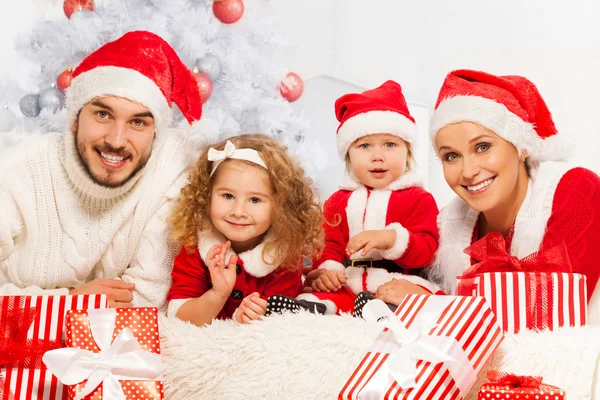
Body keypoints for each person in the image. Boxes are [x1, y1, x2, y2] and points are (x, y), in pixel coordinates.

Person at [0, 30, 217, 311]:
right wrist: (67, 304)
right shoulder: (17, 172)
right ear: (76, 118)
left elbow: (148, 301)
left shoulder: (174, 168)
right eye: (103, 114)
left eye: (138, 123)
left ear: (156, 134)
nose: (116, 140)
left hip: (119, 352)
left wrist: (42, 306)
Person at [371, 69, 600, 324]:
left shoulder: (575, 189)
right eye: (451, 156)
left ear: (522, 146)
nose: (468, 172)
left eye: (483, 147)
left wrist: (431, 307)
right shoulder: (450, 222)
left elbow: (556, 313)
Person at [276, 81, 441, 316]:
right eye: (364, 146)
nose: (377, 156)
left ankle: (380, 310)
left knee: (413, 301)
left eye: (390, 145)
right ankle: (310, 308)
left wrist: (391, 239)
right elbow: (328, 244)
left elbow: (427, 249)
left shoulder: (418, 198)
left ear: (408, 151)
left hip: (397, 281)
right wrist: (328, 270)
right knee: (323, 294)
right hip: (349, 279)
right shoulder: (338, 200)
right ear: (348, 156)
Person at [166, 134, 323, 326]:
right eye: (228, 196)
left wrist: (252, 316)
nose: (238, 211)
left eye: (255, 200)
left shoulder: (285, 255)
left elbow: (284, 324)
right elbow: (180, 318)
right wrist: (217, 295)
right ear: (207, 195)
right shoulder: (195, 247)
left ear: (280, 206)